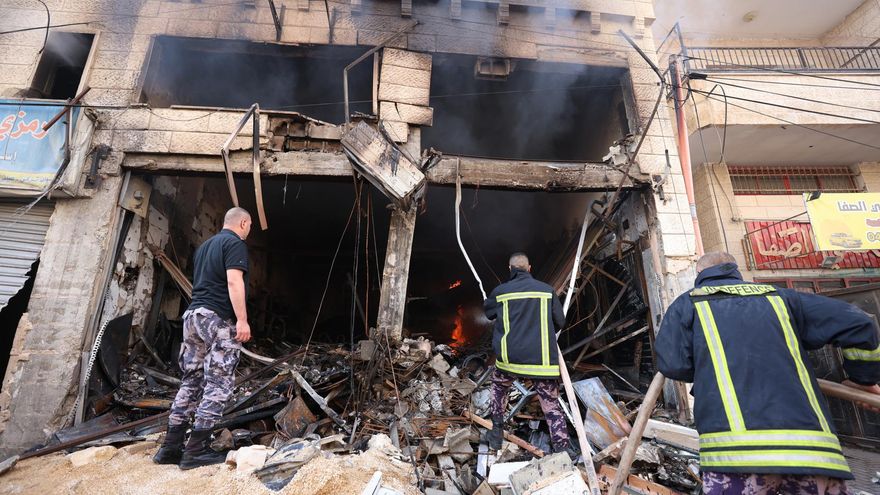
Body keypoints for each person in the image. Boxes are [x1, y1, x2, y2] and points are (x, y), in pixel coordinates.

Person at [656, 251, 880, 495]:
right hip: (812, 452)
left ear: (699, 274)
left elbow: (672, 364)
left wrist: (708, 369)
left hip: (735, 457)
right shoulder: (782, 297)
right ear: (735, 270)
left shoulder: (687, 304)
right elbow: (860, 323)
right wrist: (863, 379)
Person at [153, 207, 253, 470]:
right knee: (219, 383)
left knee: (191, 381)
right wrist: (241, 320)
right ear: (243, 223)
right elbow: (233, 282)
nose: (248, 231)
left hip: (193, 317)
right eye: (249, 226)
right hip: (217, 319)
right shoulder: (235, 244)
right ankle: (196, 450)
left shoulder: (205, 246)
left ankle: (170, 448)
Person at [483, 252, 572, 455]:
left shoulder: (501, 292)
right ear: (529, 268)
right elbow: (560, 322)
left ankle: (496, 435)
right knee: (551, 406)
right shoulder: (546, 291)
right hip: (541, 362)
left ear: (510, 269)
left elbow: (489, 314)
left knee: (498, 389)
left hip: (509, 361)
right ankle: (562, 452)